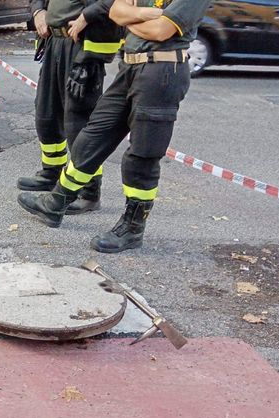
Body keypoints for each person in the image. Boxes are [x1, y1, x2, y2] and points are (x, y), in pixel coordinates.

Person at [18, 0, 210, 253]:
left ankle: (132, 227)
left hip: (162, 72)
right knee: (93, 135)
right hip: (129, 67)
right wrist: (141, 15)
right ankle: (57, 201)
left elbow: (161, 30)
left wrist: (131, 18)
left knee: (142, 155)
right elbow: (116, 12)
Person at [18, 0, 126, 215]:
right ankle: (52, 173)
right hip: (54, 43)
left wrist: (90, 60)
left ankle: (89, 192)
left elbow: (109, 9)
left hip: (81, 48)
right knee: (46, 115)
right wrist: (38, 11)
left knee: (79, 124)